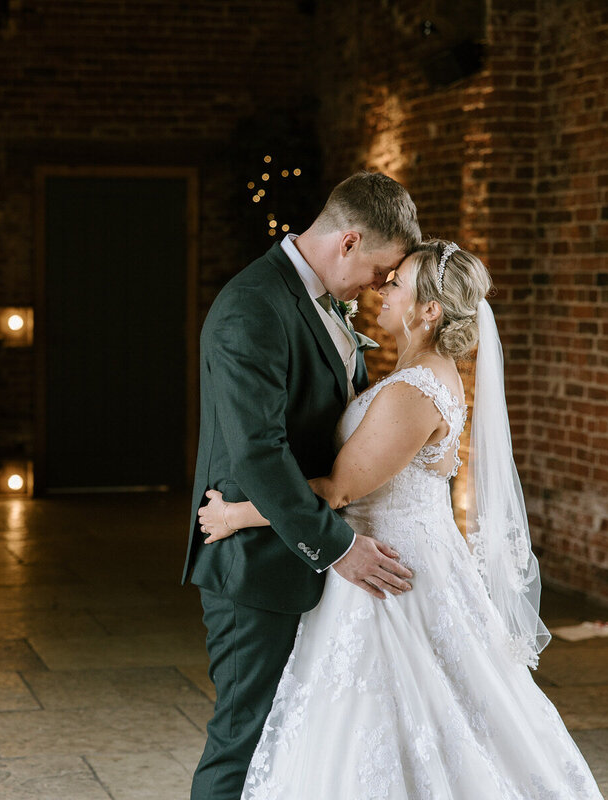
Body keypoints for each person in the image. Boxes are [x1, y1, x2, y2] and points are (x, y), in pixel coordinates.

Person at [197, 240, 604, 799]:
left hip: (387, 572)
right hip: (394, 552)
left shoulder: (414, 391)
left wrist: (237, 514)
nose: (381, 289)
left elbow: (338, 490)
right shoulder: (412, 375)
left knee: (391, 717)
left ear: (429, 310)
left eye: (397, 284)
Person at [182, 171, 422, 800]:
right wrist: (339, 547)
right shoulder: (251, 306)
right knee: (245, 739)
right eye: (380, 268)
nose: (380, 285)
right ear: (348, 242)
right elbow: (259, 452)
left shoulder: (324, 299)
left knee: (291, 740)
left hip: (302, 545)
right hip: (256, 563)